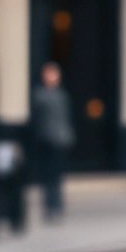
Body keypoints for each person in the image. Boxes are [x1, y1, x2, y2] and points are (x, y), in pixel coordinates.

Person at [31, 62, 75, 221]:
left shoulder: (62, 95)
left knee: (57, 175)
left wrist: (68, 136)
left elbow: (65, 118)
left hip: (60, 141)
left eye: (54, 74)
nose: (52, 77)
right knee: (48, 175)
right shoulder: (40, 95)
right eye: (49, 74)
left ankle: (57, 205)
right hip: (46, 141)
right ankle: (50, 206)